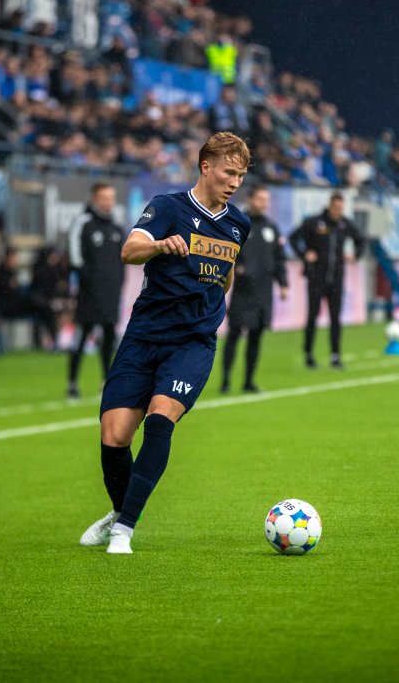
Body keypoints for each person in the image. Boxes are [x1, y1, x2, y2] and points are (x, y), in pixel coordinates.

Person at [80, 131, 252, 554]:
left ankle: (124, 529)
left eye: (241, 176)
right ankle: (120, 512)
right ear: (205, 167)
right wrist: (158, 245)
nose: (235, 182)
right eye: (228, 173)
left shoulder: (238, 224)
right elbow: (130, 250)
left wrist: (209, 304)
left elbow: (226, 272)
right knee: (114, 435)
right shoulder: (168, 207)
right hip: (144, 337)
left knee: (161, 418)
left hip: (192, 343)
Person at [220, 185, 288, 394]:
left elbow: (279, 258)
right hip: (243, 291)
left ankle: (249, 381)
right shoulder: (238, 224)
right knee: (234, 335)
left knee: (256, 337)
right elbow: (225, 251)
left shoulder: (271, 228)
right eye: (260, 199)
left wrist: (283, 283)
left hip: (263, 292)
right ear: (250, 199)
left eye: (267, 199)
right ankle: (225, 380)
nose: (264, 203)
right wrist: (236, 267)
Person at [289, 191, 366, 370]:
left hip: (337, 279)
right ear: (330, 205)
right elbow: (293, 238)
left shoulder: (345, 224)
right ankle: (309, 354)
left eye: (341, 207)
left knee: (335, 318)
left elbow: (361, 240)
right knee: (312, 316)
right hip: (316, 278)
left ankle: (335, 356)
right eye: (336, 207)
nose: (338, 210)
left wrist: (355, 255)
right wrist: (304, 254)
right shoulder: (315, 222)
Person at [66, 182, 126, 399]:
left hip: (111, 294)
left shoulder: (117, 228)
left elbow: (123, 260)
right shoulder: (83, 224)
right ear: (94, 199)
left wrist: (117, 283)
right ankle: (72, 383)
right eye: (104, 198)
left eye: (111, 198)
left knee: (109, 338)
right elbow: (74, 258)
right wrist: (89, 281)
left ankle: (106, 382)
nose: (108, 202)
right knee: (81, 337)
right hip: (89, 294)